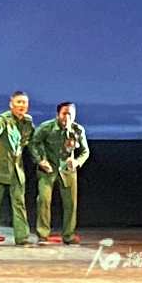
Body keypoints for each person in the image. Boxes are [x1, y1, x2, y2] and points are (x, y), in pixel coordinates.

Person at [0, 90, 36, 246]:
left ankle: (22, 237)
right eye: (18, 102)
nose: (22, 105)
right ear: (11, 104)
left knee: (19, 203)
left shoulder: (28, 121)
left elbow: (32, 142)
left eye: (24, 103)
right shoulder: (3, 119)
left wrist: (40, 160)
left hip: (17, 169)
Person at [29, 102, 90, 245]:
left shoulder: (77, 130)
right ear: (57, 115)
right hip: (48, 169)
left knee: (71, 203)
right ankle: (43, 234)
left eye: (70, 114)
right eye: (64, 114)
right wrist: (40, 160)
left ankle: (68, 235)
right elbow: (33, 143)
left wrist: (77, 161)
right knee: (43, 200)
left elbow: (85, 151)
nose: (67, 117)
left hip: (67, 171)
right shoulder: (46, 127)